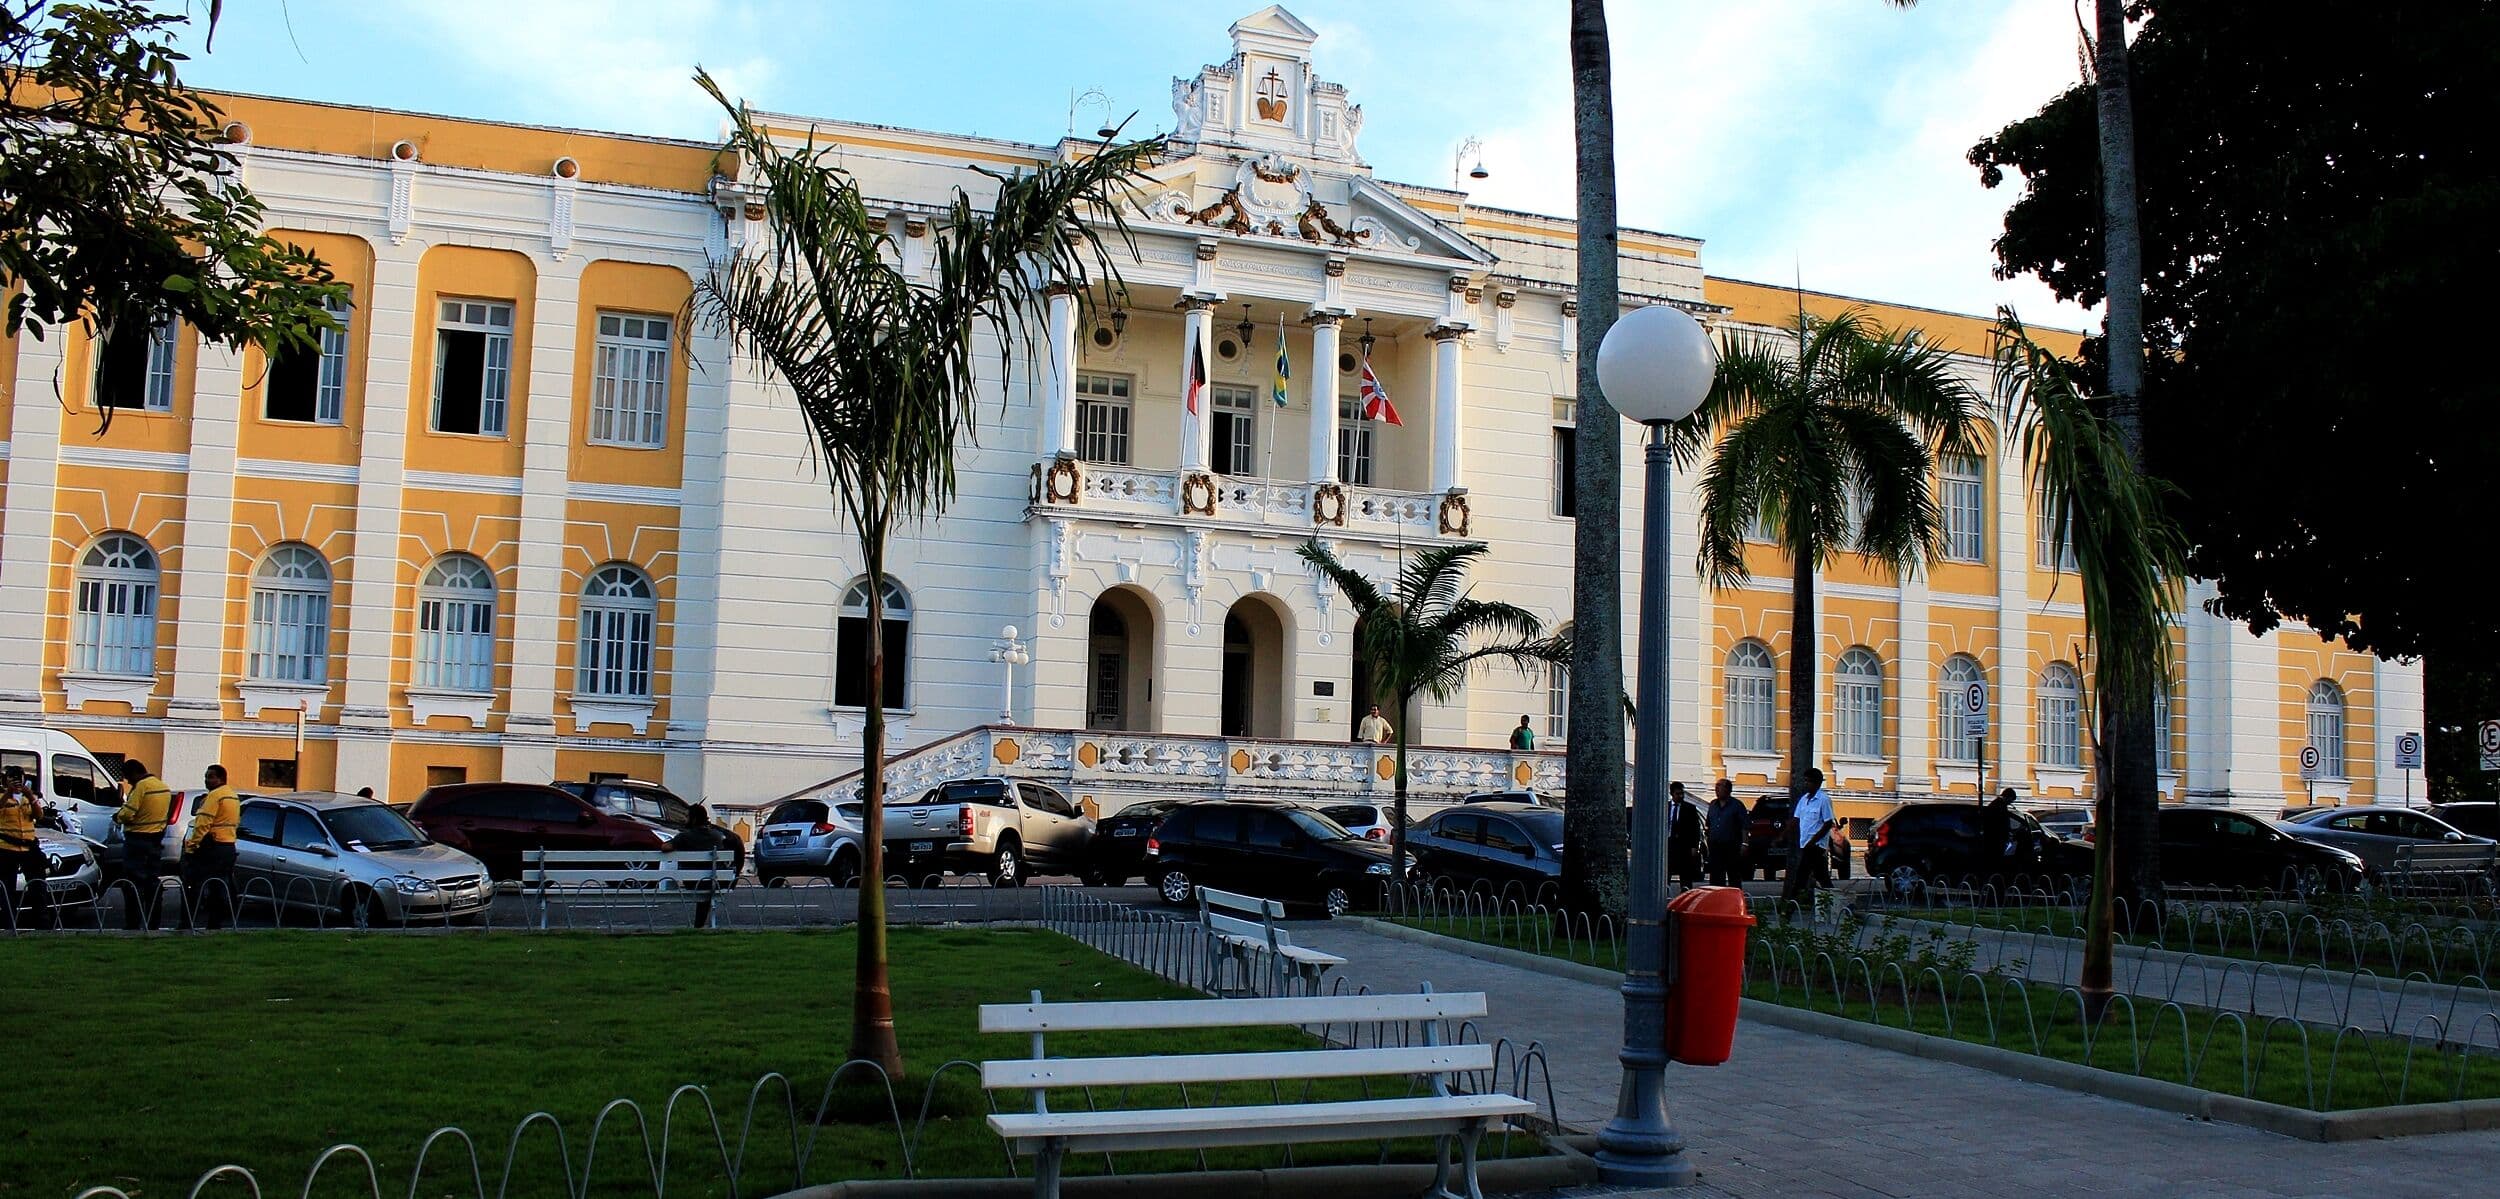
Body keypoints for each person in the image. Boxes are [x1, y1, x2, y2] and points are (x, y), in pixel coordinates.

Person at [112, 760, 174, 929]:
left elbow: (128, 813)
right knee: (152, 883)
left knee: (131, 884)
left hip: (137, 841)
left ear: (134, 773)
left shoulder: (141, 787)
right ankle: (153, 923)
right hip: (155, 841)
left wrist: (118, 816)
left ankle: (133, 924)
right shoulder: (162, 786)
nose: (129, 782)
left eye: (128, 778)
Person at [179, 764, 240, 930]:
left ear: (220, 778)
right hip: (228, 847)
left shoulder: (215, 796)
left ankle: (186, 923)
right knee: (218, 887)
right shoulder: (232, 796)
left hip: (211, 847)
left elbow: (203, 824)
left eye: (210, 777)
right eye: (206, 777)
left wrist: (192, 846)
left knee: (193, 885)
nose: (207, 780)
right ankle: (215, 924)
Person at [0, 764, 53, 928]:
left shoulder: (27, 798)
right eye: (13, 778)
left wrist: (30, 796)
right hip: (7, 848)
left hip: (29, 847)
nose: (17, 782)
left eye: (19, 778)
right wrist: (8, 793)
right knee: (7, 888)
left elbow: (39, 815)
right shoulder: (2, 796)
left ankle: (41, 923)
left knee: (38, 885)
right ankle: (9, 924)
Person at [1780, 767, 1836, 908]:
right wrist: (1782, 836)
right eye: (1805, 781)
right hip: (1805, 844)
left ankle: (1788, 909)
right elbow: (1796, 820)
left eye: (1809, 781)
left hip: (1815, 846)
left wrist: (1814, 841)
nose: (1806, 784)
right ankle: (1837, 904)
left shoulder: (1823, 800)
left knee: (1801, 877)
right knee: (1822, 877)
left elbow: (1828, 822)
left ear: (1817, 783)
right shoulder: (1803, 800)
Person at [1705, 779, 1749, 887]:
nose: (1717, 789)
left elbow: (1745, 825)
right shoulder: (1713, 805)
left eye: (1720, 786)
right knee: (1716, 875)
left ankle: (1734, 899)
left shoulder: (1737, 805)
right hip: (1715, 845)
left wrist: (1744, 843)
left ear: (1728, 789)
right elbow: (1709, 823)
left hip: (1731, 845)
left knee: (1733, 875)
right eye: (1716, 786)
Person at [1667, 782, 1705, 887]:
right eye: (1678, 794)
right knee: (1666, 872)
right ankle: (1664, 895)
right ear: (1672, 794)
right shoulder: (1666, 807)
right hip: (1669, 844)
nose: (1681, 796)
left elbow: (1695, 829)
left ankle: (1686, 894)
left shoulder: (1690, 808)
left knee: (1685, 875)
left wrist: (1694, 846)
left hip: (1684, 846)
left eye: (1682, 793)